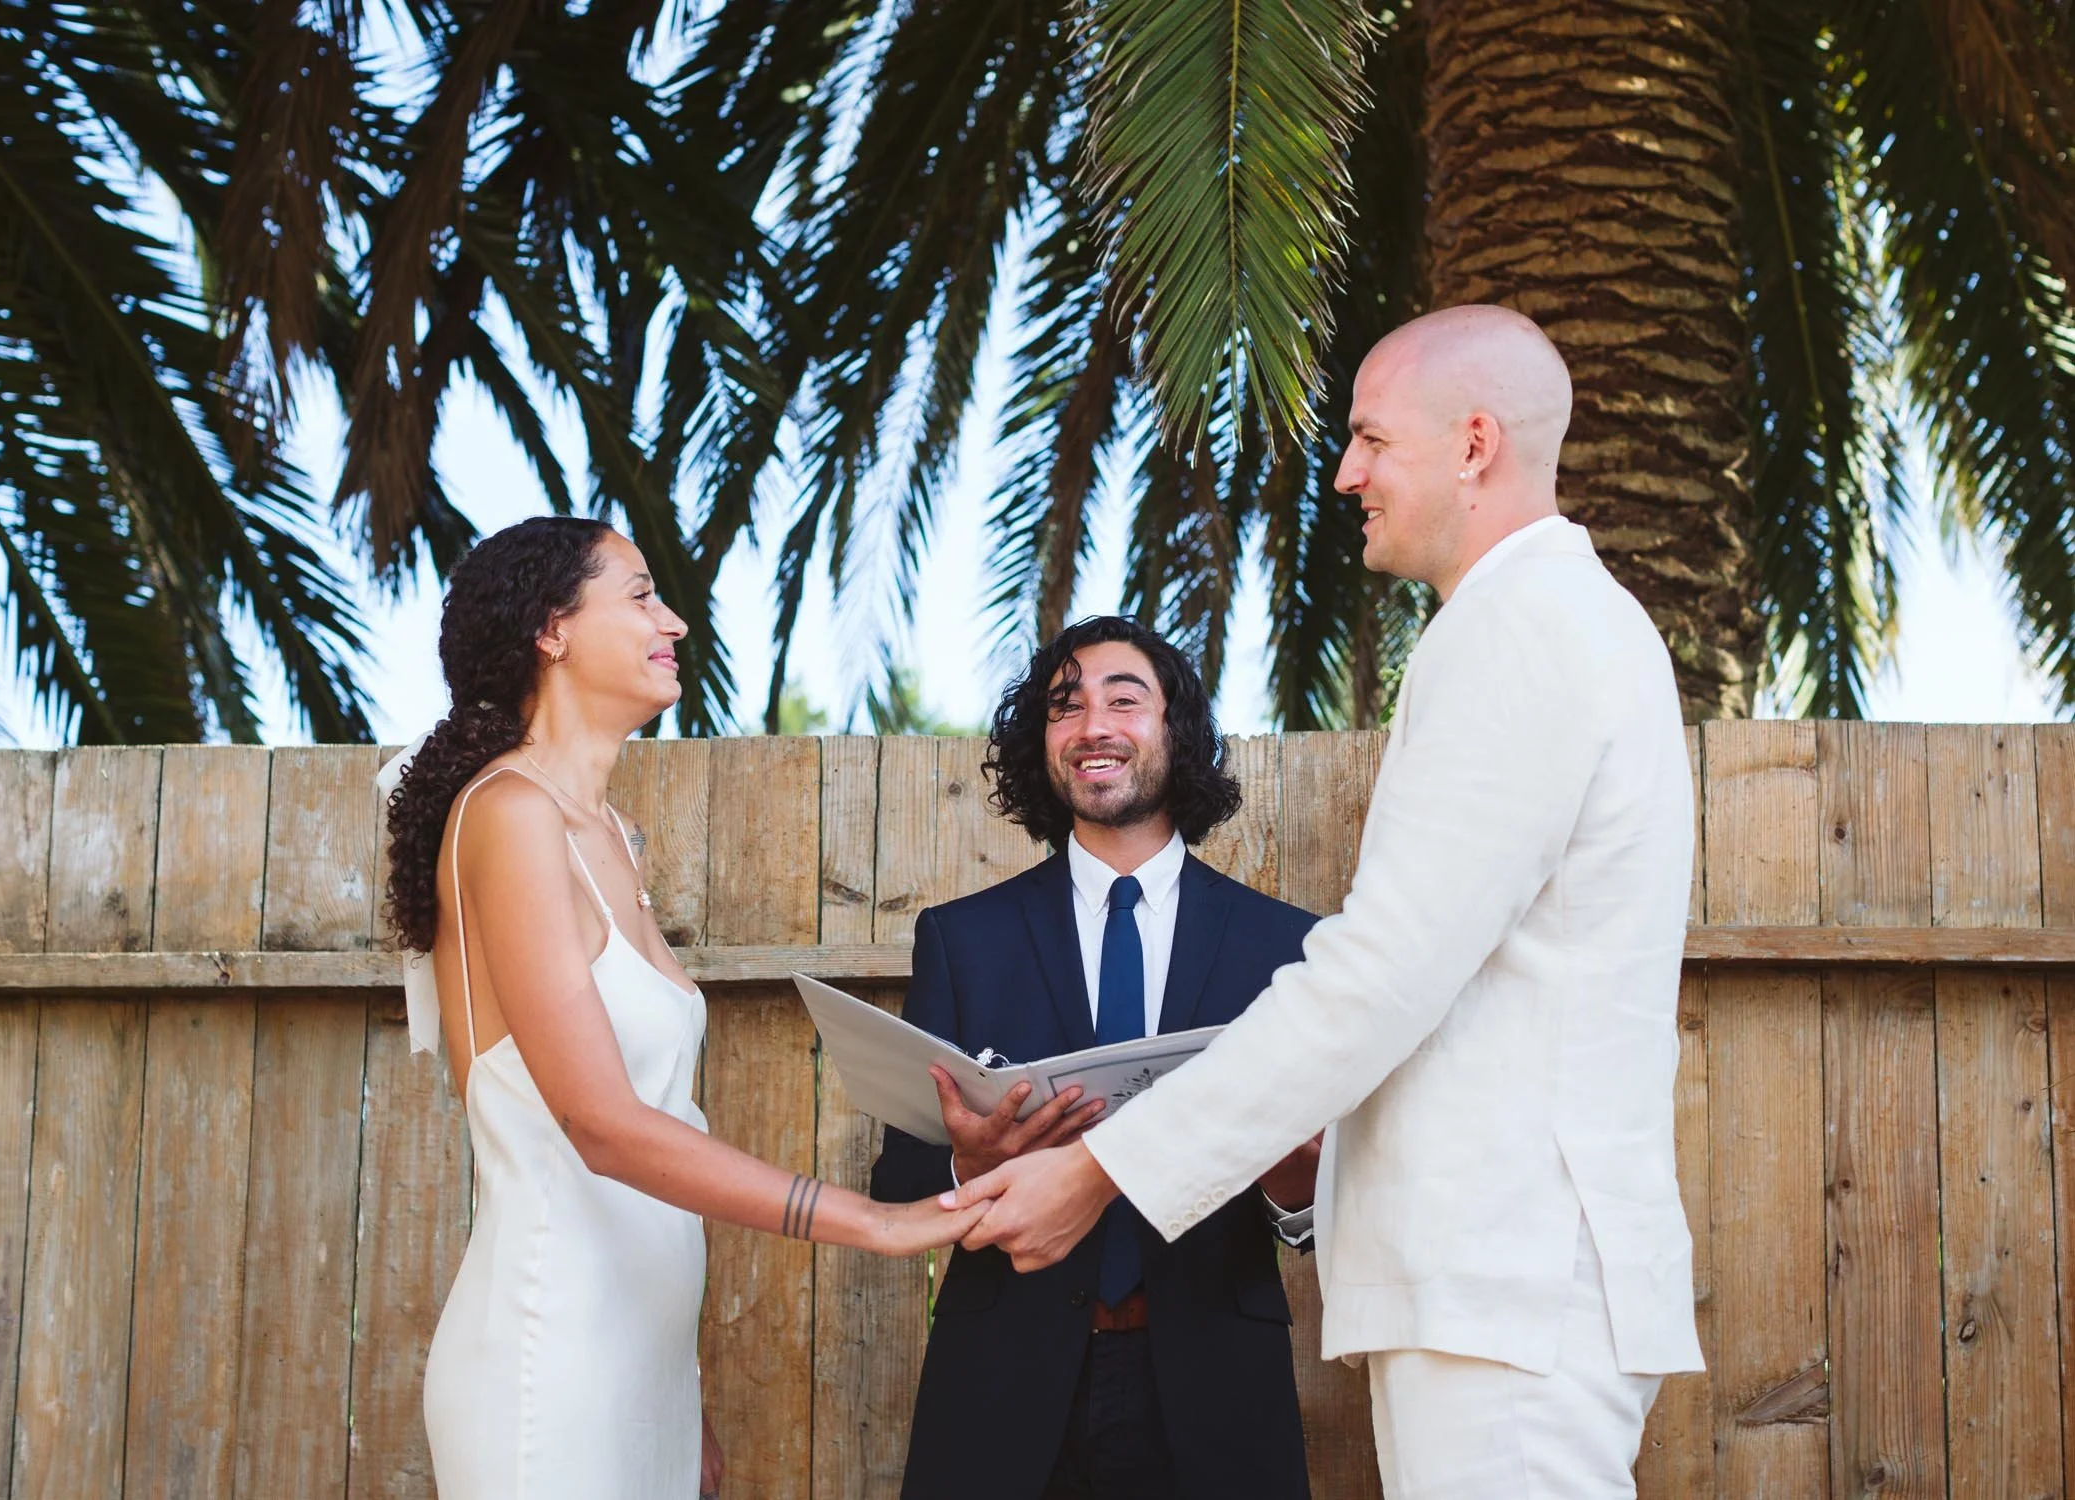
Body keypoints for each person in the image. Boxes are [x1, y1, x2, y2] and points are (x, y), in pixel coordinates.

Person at [946, 306, 1705, 1500]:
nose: (1345, 473)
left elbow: (1383, 972)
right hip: (1504, 1290)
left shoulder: (1521, 630)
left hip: (1504, 1286)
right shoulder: (1554, 625)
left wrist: (1099, 1173)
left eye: (1369, 440)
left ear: (1472, 445)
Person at [379, 517, 985, 1500]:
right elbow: (605, 1129)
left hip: (640, 1365)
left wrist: (683, 1385)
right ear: (553, 628)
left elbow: (655, 1128)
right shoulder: (510, 816)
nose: (677, 620)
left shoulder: (611, 834)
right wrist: (874, 1223)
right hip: (550, 1355)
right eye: (642, 595)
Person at [870, 616, 1322, 1500]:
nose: (1093, 726)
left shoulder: (1286, 945)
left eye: (1126, 699)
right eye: (1064, 707)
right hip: (1001, 1391)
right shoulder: (963, 940)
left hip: (1219, 1393)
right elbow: (901, 1187)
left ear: (1175, 731)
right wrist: (972, 1159)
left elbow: (1310, 1213)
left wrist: (1293, 1177)